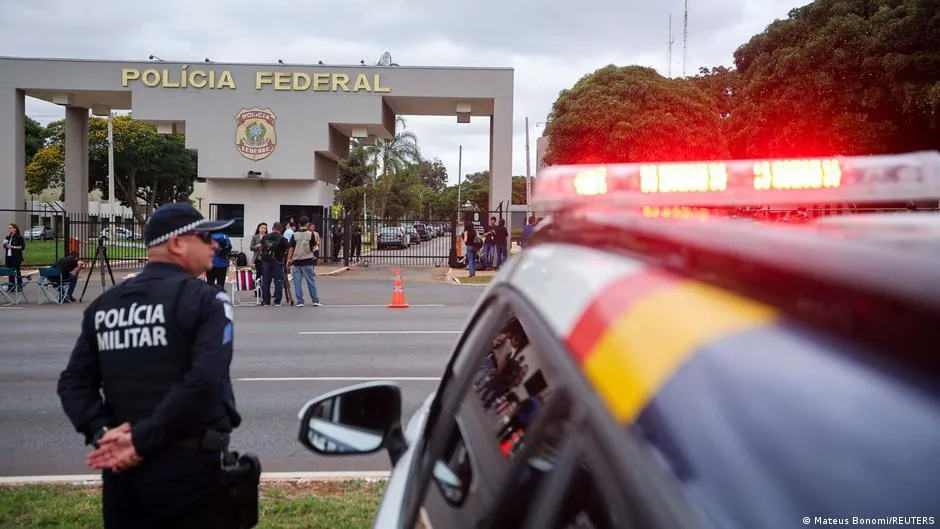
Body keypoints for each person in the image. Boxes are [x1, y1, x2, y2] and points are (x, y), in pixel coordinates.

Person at [56, 202, 243, 528]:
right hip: (188, 471)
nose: (215, 244)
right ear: (177, 243)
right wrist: (142, 440)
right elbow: (204, 380)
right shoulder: (206, 300)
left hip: (122, 472)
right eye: (206, 236)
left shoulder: (105, 305)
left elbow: (73, 384)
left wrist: (103, 433)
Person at [286, 216, 321, 307]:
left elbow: (291, 248)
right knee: (310, 281)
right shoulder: (311, 234)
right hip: (308, 261)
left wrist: (288, 260)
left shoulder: (294, 234)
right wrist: (315, 256)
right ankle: (315, 300)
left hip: (296, 261)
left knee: (297, 283)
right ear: (307, 224)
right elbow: (315, 246)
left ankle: (300, 301)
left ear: (299, 224)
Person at [3, 223, 25, 292]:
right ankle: (11, 286)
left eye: (10, 228)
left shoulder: (19, 237)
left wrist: (12, 247)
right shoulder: (7, 237)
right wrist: (4, 244)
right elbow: (5, 247)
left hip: (16, 258)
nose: (9, 229)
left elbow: (22, 247)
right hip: (9, 257)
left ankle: (19, 286)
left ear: (15, 229)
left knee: (17, 272)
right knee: (10, 272)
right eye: (8, 228)